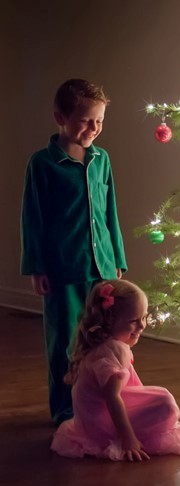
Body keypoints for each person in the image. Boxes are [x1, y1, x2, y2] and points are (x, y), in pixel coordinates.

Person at [21, 79, 127, 425]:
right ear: (60, 117)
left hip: (103, 269)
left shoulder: (102, 160)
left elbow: (110, 212)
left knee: (104, 341)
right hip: (62, 270)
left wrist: (118, 260)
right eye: (85, 121)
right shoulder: (42, 164)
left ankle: (101, 404)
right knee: (64, 344)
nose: (94, 128)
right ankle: (65, 410)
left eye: (99, 121)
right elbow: (33, 219)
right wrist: (37, 268)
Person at [51, 280, 180, 461]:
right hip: (100, 422)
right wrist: (128, 438)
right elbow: (112, 397)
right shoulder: (110, 353)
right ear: (108, 323)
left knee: (162, 399)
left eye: (144, 317)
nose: (141, 326)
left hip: (91, 419)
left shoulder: (105, 346)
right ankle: (124, 431)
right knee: (166, 403)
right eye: (134, 321)